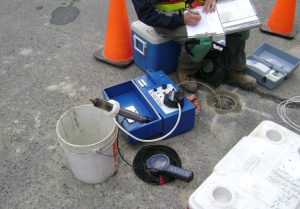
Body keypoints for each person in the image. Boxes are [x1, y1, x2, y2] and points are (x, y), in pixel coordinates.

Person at [131, 0, 257, 93]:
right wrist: (181, 19)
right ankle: (186, 71)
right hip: (168, 19)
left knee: (241, 27)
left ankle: (235, 70)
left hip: (200, 10)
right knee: (201, 41)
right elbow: (147, 14)